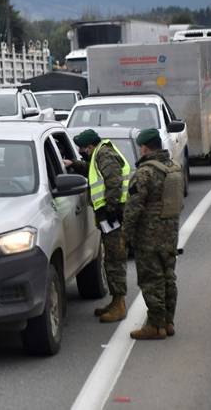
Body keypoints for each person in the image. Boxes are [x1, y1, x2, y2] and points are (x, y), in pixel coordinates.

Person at [123, 128, 184, 340]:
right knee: (168, 277)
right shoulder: (174, 168)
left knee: (151, 279)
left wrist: (125, 236)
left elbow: (133, 208)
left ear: (144, 148)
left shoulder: (144, 173)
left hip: (148, 236)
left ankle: (155, 326)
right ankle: (168, 322)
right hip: (170, 233)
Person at [73, 129, 130, 323]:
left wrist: (111, 209)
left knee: (115, 260)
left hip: (113, 216)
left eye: (82, 148)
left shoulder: (104, 155)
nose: (81, 151)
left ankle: (119, 305)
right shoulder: (99, 153)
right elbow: (93, 171)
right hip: (110, 216)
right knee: (111, 261)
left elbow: (113, 181)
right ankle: (115, 302)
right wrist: (75, 165)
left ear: (90, 146)